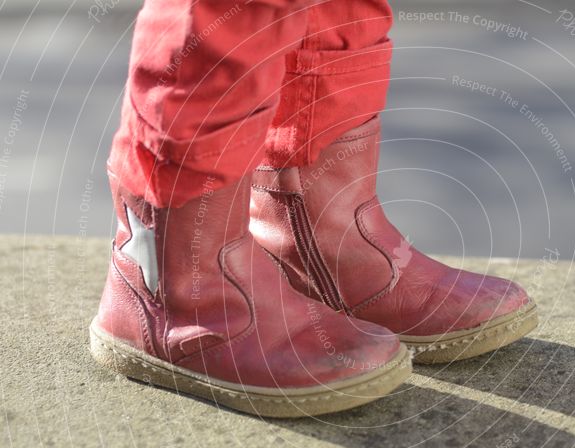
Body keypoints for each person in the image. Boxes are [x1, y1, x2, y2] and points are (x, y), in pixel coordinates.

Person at [89, 0, 538, 418]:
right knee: (228, 14)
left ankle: (321, 249)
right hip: (175, 282)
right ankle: (177, 300)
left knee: (335, 10)